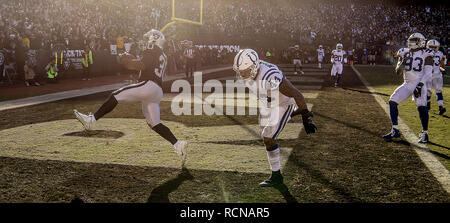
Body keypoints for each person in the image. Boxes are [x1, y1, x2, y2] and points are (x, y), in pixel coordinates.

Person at [73, 29, 187, 163]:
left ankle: (91, 120)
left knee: (115, 95)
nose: (146, 41)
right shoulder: (163, 54)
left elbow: (141, 65)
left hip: (148, 86)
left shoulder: (151, 48)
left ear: (153, 40)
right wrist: (131, 57)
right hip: (157, 91)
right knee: (154, 124)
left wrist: (125, 60)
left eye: (148, 39)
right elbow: (148, 64)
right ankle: (177, 144)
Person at [232, 49, 317, 187]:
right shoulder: (249, 71)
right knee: (265, 133)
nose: (241, 74)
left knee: (268, 136)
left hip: (283, 104)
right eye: (239, 71)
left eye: (244, 71)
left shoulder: (271, 75)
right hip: (269, 103)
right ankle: (276, 176)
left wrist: (306, 117)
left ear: (254, 67)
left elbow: (296, 93)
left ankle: (276, 177)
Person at [382, 33, 435, 143]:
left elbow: (429, 73)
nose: (411, 42)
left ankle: (425, 134)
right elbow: (398, 72)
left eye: (414, 40)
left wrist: (420, 85)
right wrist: (403, 61)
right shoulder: (404, 52)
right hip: (407, 84)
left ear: (421, 41)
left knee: (421, 107)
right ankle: (395, 130)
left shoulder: (427, 53)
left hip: (420, 83)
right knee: (392, 101)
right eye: (410, 40)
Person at [425, 39, 446, 115]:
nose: (433, 48)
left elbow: (441, 64)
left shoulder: (440, 53)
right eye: (431, 47)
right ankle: (428, 104)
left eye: (435, 47)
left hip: (437, 75)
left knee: (438, 91)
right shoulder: (425, 53)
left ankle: (441, 107)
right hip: (428, 75)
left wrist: (442, 68)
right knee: (428, 91)